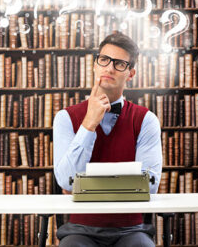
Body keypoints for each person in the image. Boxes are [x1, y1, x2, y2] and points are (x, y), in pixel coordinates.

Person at [53, 32, 162, 247]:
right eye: (104, 60)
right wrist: (89, 124)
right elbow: (66, 180)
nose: (109, 68)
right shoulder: (65, 118)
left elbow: (149, 186)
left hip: (132, 229)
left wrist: (85, 185)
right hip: (79, 231)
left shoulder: (147, 120)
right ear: (95, 65)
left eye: (119, 64)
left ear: (130, 74)